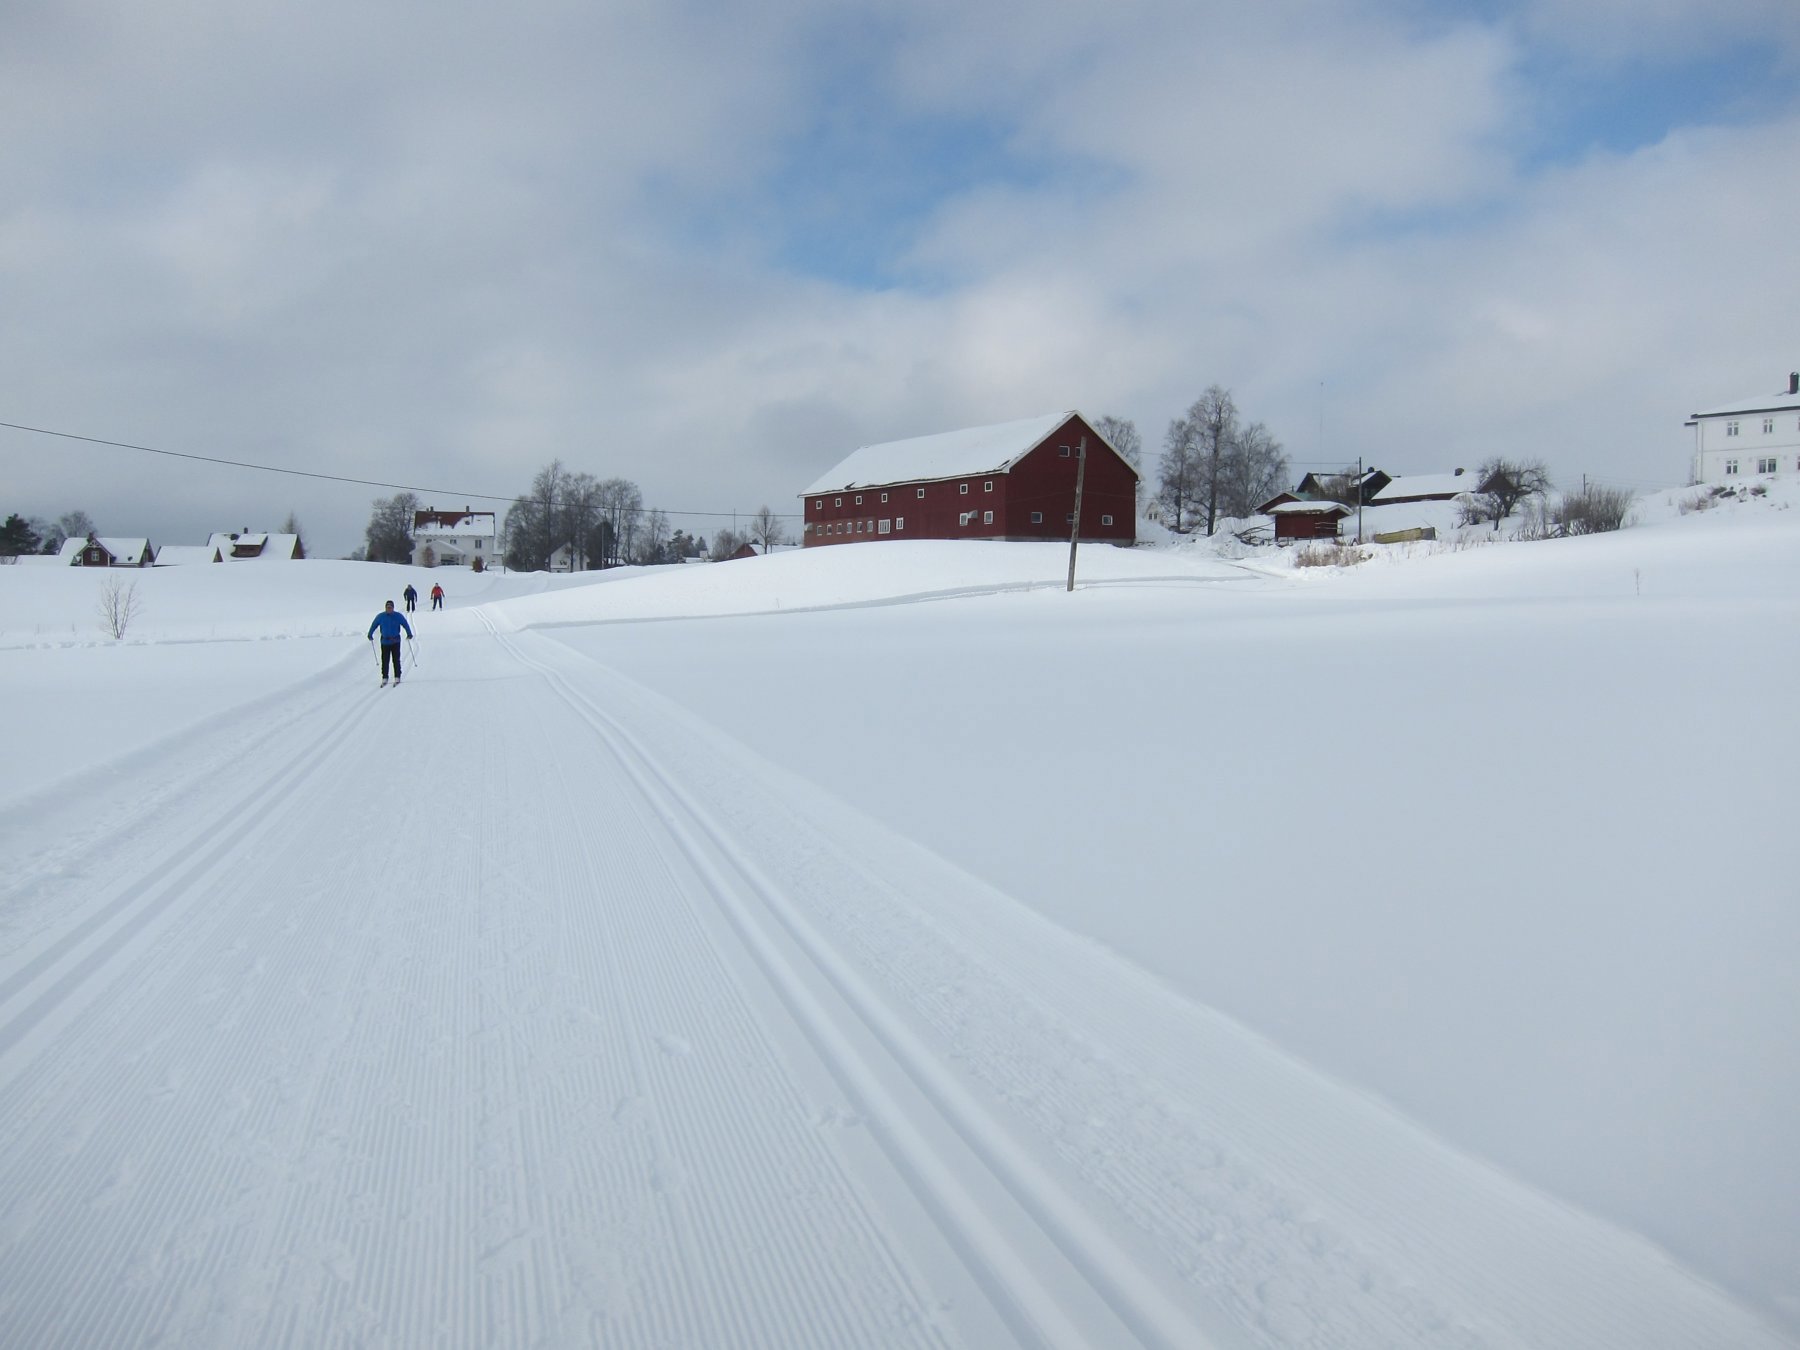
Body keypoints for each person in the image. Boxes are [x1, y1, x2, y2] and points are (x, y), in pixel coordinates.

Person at [367, 600, 413, 685]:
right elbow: (374, 625)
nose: (389, 609)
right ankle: (385, 677)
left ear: (393, 608)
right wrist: (370, 634)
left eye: (390, 607)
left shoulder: (398, 616)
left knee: (396, 660)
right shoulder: (381, 616)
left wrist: (409, 633)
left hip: (395, 641)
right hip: (385, 641)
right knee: (385, 660)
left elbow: (405, 624)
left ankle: (397, 676)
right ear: (385, 608)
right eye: (387, 607)